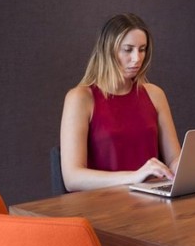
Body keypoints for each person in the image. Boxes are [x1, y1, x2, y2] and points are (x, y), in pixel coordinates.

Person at [60, 13, 181, 191]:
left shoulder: (155, 94)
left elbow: (174, 159)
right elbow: (72, 178)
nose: (137, 58)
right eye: (128, 49)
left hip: (152, 201)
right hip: (104, 204)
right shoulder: (80, 98)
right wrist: (134, 177)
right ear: (108, 50)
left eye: (142, 49)